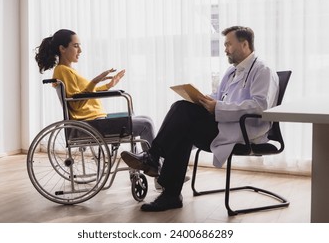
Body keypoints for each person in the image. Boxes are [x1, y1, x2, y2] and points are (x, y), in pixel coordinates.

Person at [121, 26, 279, 212]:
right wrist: (204, 100)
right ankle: (167, 187)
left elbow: (259, 106)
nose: (225, 49)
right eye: (225, 44)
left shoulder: (263, 70)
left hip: (246, 131)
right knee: (182, 117)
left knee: (181, 113)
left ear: (245, 44)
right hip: (226, 125)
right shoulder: (231, 72)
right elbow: (221, 96)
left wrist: (218, 107)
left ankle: (156, 164)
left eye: (229, 44)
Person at [34, 29, 155, 152]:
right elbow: (76, 103)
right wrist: (94, 81)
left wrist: (108, 85)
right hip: (90, 124)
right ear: (62, 49)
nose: (80, 51)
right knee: (146, 125)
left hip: (95, 120)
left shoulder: (67, 70)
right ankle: (151, 162)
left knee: (146, 119)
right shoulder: (62, 70)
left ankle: (150, 160)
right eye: (76, 46)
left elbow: (84, 94)